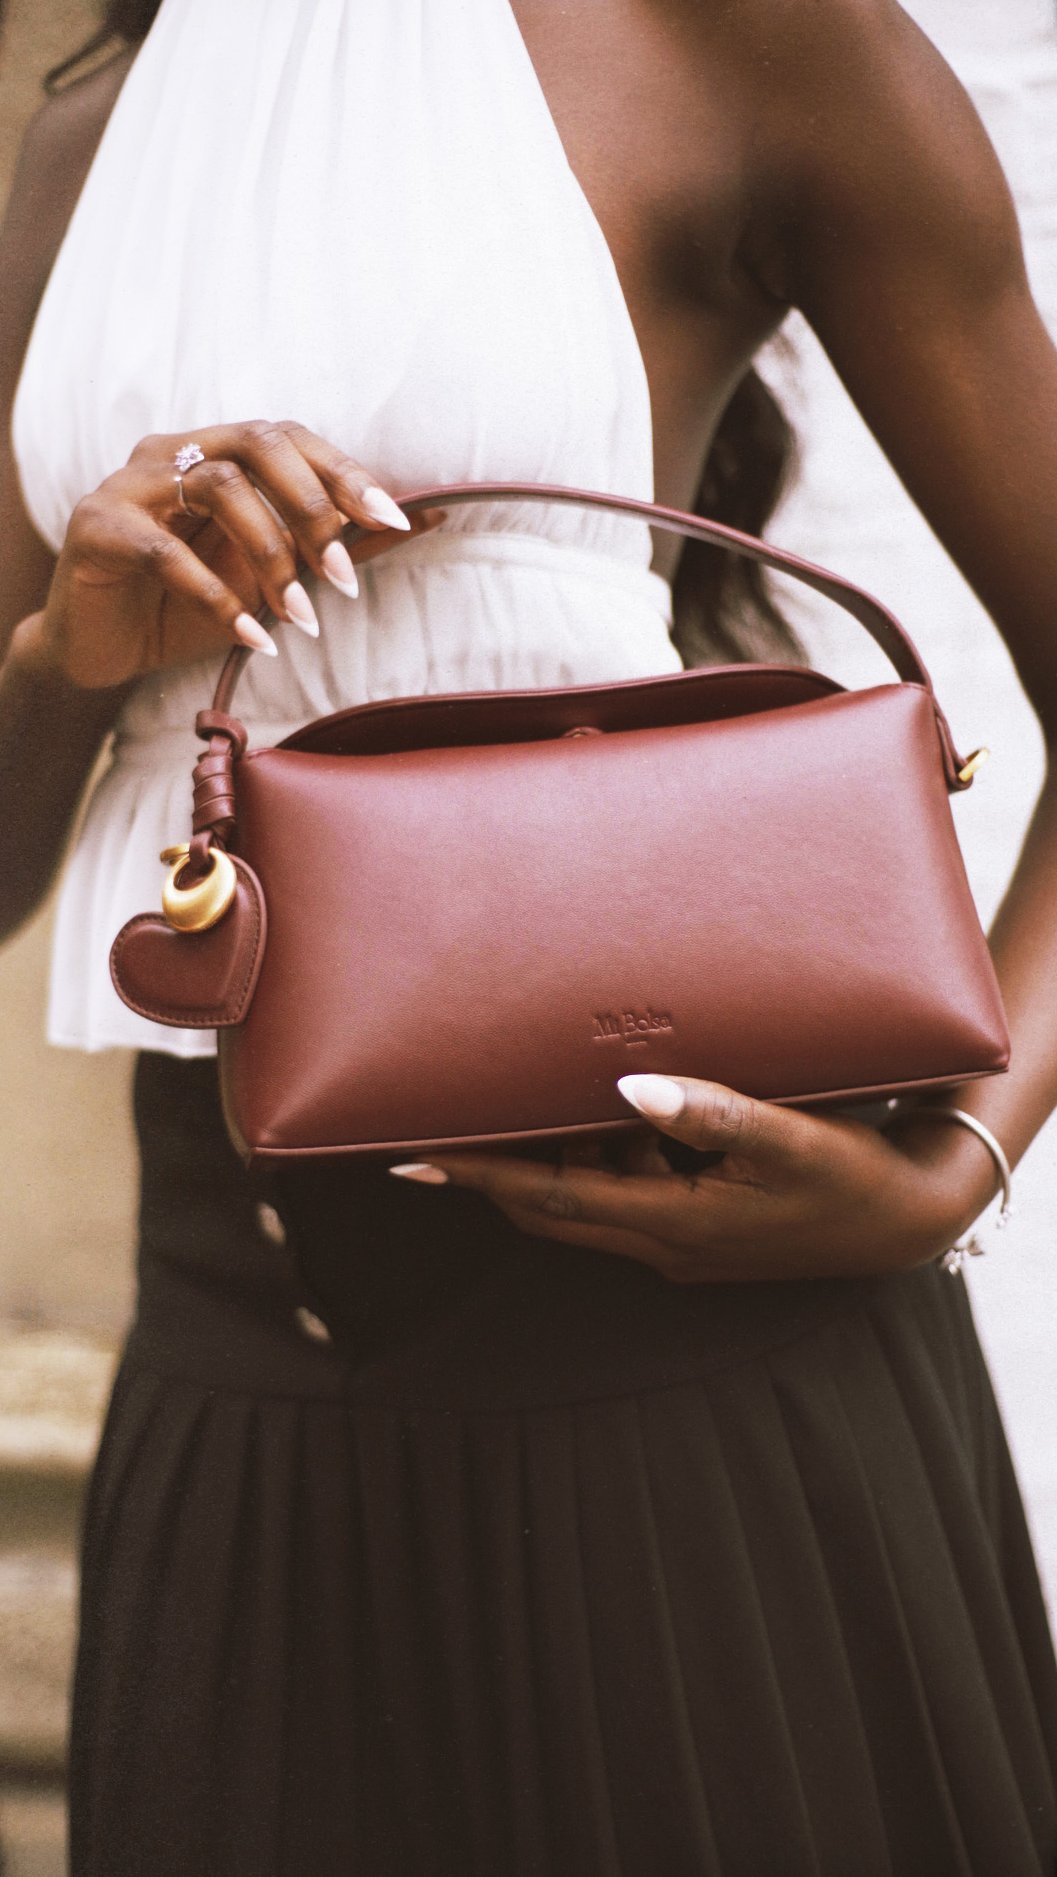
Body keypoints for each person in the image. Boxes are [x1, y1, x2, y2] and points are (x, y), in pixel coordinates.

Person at [2, 1, 1056, 1870]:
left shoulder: (737, 32)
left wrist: (948, 1167)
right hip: (234, 1367)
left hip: (691, 1341)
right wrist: (66, 651)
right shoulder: (87, 139)